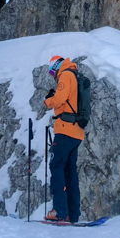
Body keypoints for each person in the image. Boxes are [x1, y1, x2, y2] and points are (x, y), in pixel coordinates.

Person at [44, 55, 85, 223]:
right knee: (69, 171)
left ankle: (59, 211)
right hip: (76, 132)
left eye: (52, 71)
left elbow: (60, 99)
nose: (53, 75)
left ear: (56, 66)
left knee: (56, 165)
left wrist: (48, 101)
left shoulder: (66, 75)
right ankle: (72, 214)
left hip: (65, 129)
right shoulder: (74, 75)